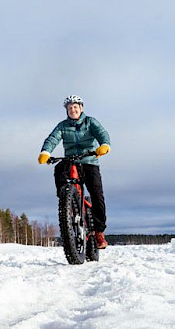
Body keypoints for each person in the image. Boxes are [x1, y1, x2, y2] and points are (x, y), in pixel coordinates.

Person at [38, 95, 112, 248]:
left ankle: (99, 233)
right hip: (70, 161)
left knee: (97, 196)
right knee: (59, 169)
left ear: (81, 108)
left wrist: (104, 144)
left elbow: (102, 133)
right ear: (67, 111)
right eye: (70, 108)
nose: (73, 110)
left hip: (89, 161)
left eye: (75, 107)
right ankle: (66, 203)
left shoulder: (90, 122)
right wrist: (45, 152)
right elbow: (52, 139)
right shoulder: (63, 126)